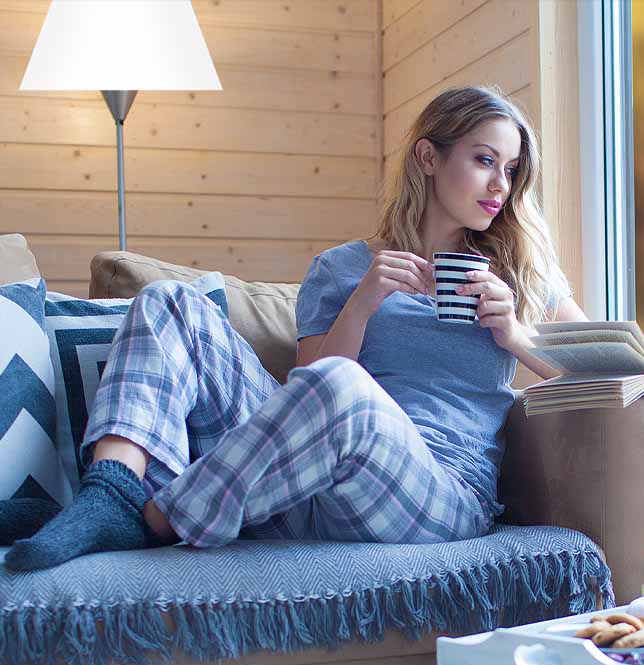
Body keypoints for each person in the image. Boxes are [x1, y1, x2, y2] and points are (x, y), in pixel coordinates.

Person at [0, 85, 588, 571]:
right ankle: (112, 490)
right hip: (305, 483)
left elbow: (620, 376)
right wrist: (363, 302)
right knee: (169, 301)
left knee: (347, 389)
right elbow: (305, 391)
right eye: (485, 161)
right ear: (429, 157)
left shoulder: (521, 273)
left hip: (438, 495)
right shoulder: (343, 269)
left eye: (510, 170)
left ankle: (153, 519)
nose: (500, 187)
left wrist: (515, 335)